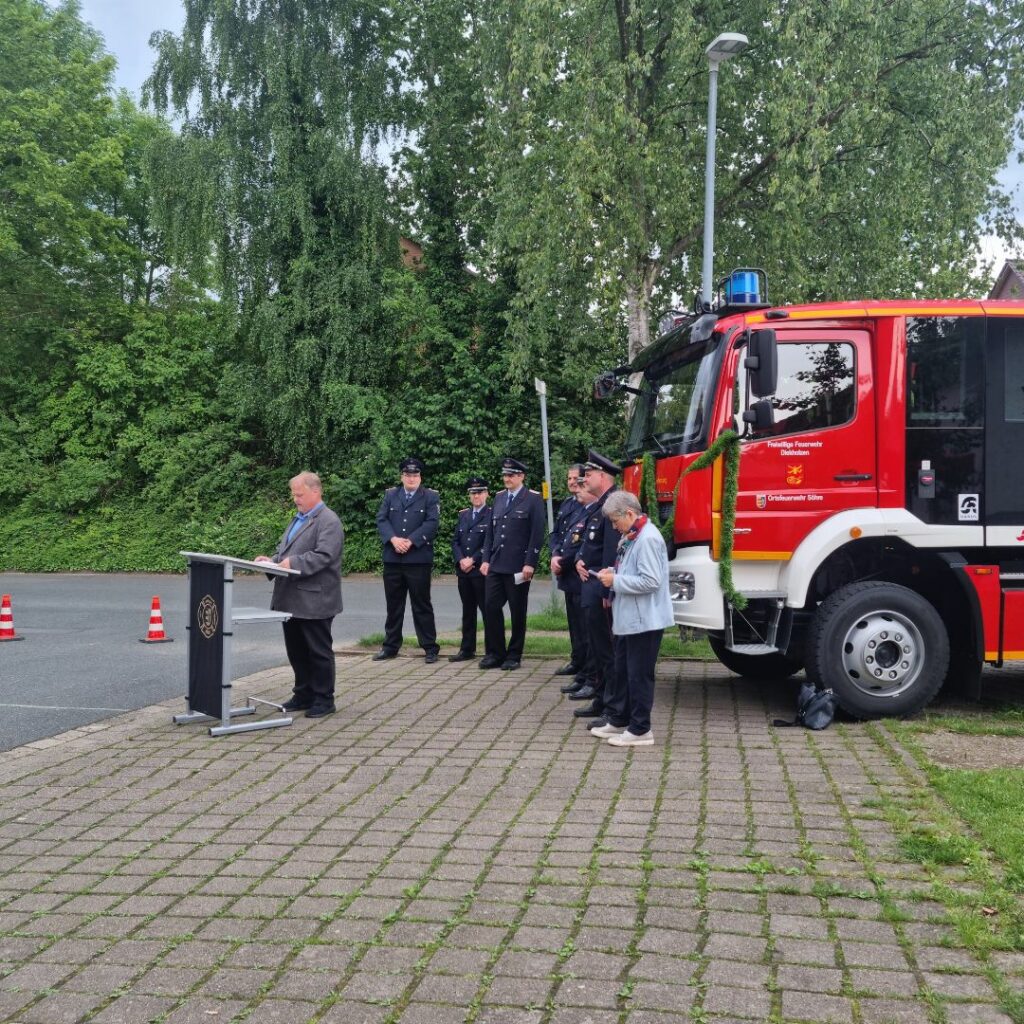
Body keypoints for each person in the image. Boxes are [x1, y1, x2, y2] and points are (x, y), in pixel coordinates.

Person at [255, 472, 343, 719]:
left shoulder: (329, 521)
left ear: (316, 492)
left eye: (299, 494)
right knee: (296, 651)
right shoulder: (298, 519)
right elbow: (286, 552)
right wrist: (271, 562)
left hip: (316, 599)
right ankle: (303, 694)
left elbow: (324, 556)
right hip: (291, 599)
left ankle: (324, 699)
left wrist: (291, 562)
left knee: (318, 651)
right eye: (294, 494)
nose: (295, 499)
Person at [594, 490, 673, 746]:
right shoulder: (634, 534)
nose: (614, 527)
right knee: (624, 671)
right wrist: (614, 572)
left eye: (616, 521)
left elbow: (651, 581)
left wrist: (615, 580)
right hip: (631, 619)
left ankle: (641, 730)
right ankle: (621, 720)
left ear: (629, 513)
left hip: (644, 620)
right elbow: (634, 571)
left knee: (639, 674)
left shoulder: (647, 538)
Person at [479, 457, 546, 671]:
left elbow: (537, 534)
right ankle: (495, 653)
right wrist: (486, 559)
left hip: (518, 566)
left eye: (511, 475)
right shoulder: (499, 498)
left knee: (518, 611)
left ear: (521, 476)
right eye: (505, 475)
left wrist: (530, 563)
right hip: (496, 564)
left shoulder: (533, 499)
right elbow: (491, 531)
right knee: (490, 607)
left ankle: (514, 655)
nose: (507, 479)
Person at [373, 457, 441, 664]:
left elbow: (432, 523)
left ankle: (430, 647)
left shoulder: (430, 497)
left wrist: (410, 541)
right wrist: (393, 539)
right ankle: (391, 646)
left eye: (415, 475)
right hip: (393, 558)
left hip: (418, 559)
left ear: (420, 476)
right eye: (408, 475)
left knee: (421, 604)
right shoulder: (390, 495)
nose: (412, 478)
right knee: (394, 605)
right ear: (402, 476)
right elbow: (381, 519)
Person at [571, 450, 620, 724]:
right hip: (589, 585)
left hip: (601, 591)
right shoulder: (599, 504)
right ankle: (602, 699)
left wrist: (607, 593)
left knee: (607, 651)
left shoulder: (612, 504)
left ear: (602, 476)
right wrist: (579, 560)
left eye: (588, 474)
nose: (584, 478)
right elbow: (590, 544)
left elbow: (612, 555)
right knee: (599, 649)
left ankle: (611, 706)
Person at [550, 464, 590, 680]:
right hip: (565, 570)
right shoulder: (566, 504)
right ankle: (576, 660)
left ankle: (586, 667)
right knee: (573, 622)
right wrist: (554, 555)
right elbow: (556, 533)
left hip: (577, 572)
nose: (572, 482)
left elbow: (579, 541)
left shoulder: (587, 506)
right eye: (569, 478)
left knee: (584, 624)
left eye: (576, 478)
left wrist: (563, 561)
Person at [449, 475, 493, 662]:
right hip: (464, 571)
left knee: (487, 610)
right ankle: (467, 649)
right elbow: (456, 541)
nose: (476, 496)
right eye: (473, 493)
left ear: (487, 494)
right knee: (468, 611)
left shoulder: (491, 514)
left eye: (480, 492)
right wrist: (460, 560)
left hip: (479, 571)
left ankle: (492, 651)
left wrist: (473, 560)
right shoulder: (463, 515)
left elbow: (490, 543)